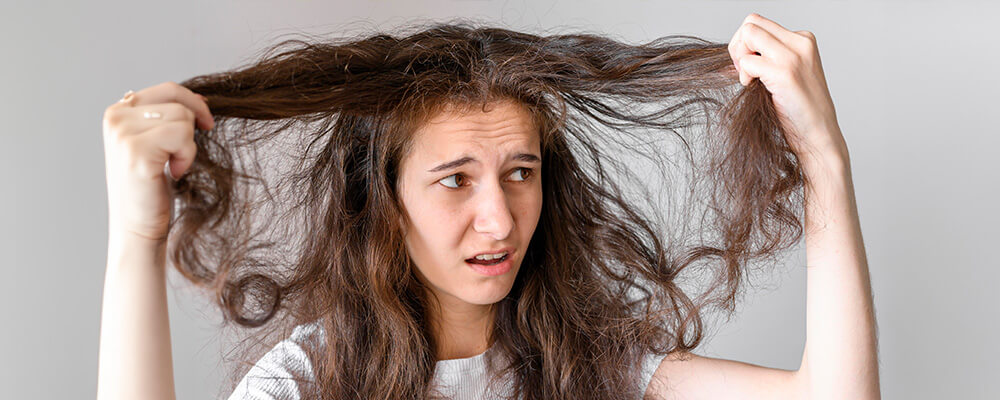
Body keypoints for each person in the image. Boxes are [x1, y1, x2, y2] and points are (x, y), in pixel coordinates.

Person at [96, 13, 879, 400]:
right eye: (454, 180)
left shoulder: (593, 366)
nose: (500, 221)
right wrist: (138, 237)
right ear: (383, 201)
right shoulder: (311, 379)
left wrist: (823, 160)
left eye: (520, 172)